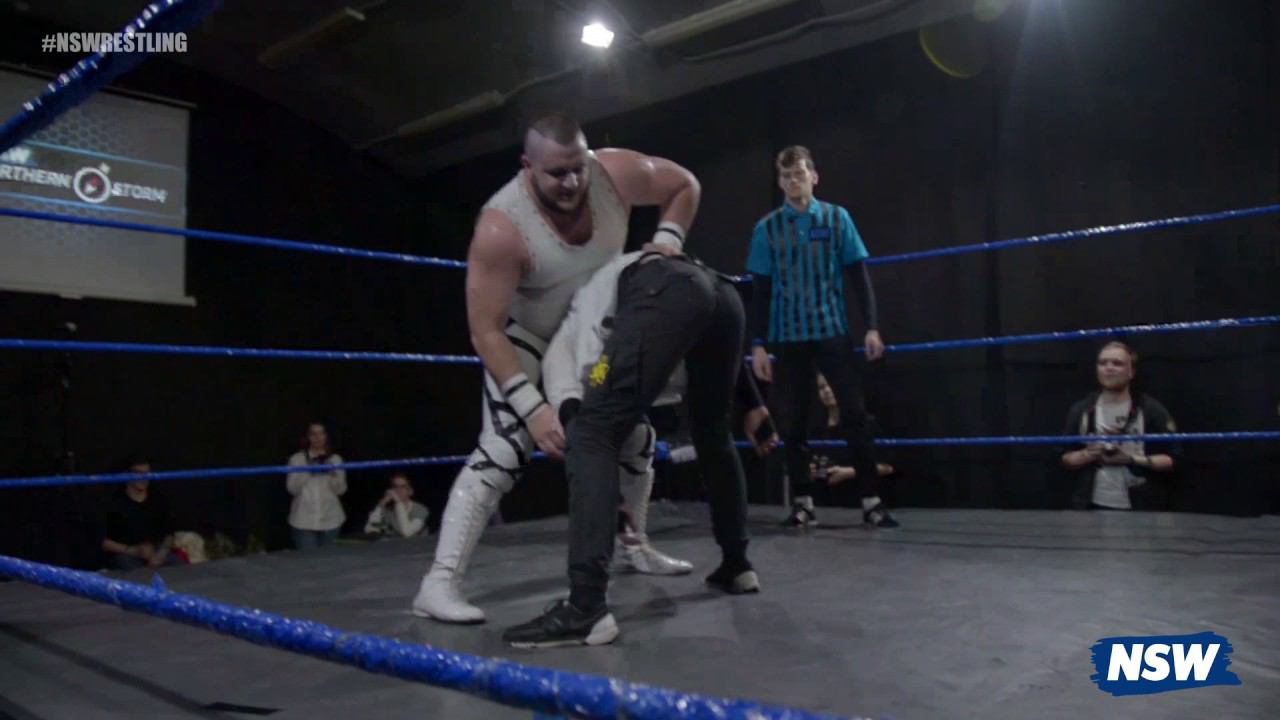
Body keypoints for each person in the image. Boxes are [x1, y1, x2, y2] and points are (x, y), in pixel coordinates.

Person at [413, 113, 703, 624]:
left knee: (634, 438)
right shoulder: (502, 226)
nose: (570, 182)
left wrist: (669, 240)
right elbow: (485, 331)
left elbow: (684, 185)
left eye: (577, 169)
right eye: (556, 173)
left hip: (588, 342)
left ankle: (635, 543)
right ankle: (438, 584)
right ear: (528, 167)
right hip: (527, 340)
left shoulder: (614, 174)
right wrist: (533, 407)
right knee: (504, 449)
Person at [503, 250, 764, 648]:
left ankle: (586, 607)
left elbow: (590, 399)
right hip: (721, 291)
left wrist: (580, 435)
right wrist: (753, 401)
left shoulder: (570, 330)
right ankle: (737, 565)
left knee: (591, 433)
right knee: (711, 430)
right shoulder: (609, 290)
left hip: (670, 289)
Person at [746, 145, 897, 529]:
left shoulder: (836, 218)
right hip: (787, 336)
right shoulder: (767, 229)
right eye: (786, 176)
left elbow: (858, 275)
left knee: (854, 414)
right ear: (780, 182)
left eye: (799, 174)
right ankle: (803, 503)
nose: (793, 181)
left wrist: (872, 326)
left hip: (831, 330)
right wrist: (758, 344)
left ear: (813, 176)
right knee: (793, 422)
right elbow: (760, 290)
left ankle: (871, 500)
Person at [1061, 342, 1181, 510]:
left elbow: (1173, 459)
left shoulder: (1150, 409)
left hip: (1142, 506)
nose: (1109, 368)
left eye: (1117, 363)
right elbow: (1065, 458)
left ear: (1131, 371)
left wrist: (1130, 459)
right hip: (1090, 504)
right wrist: (1089, 453)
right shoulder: (1082, 410)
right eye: (1103, 363)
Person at [809, 372, 895, 497]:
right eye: (821, 387)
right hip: (825, 500)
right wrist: (811, 470)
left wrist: (848, 472)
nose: (827, 390)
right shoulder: (816, 427)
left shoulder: (865, 424)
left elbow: (887, 467)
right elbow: (814, 460)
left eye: (831, 385)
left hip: (858, 497)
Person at [99, 459, 183, 571]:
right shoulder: (113, 503)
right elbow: (103, 541)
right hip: (127, 554)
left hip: (157, 553)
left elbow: (169, 533)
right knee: (132, 571)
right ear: (127, 474)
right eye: (138, 473)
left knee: (181, 568)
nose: (144, 478)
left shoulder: (158, 499)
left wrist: (161, 554)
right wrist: (134, 551)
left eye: (147, 473)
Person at [286, 421, 347, 550]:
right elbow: (292, 489)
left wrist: (332, 473)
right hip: (304, 522)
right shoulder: (297, 459)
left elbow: (341, 490)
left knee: (329, 560)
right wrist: (308, 470)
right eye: (313, 434)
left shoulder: (335, 459)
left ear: (326, 436)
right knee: (309, 561)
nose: (318, 438)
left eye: (321, 433)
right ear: (308, 437)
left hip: (331, 521)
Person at [364, 471, 429, 538]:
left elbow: (407, 533)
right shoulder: (388, 509)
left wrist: (398, 502)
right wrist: (381, 505)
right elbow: (370, 529)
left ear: (410, 491)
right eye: (395, 486)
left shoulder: (420, 510)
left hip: (417, 544)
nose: (398, 490)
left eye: (403, 487)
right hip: (394, 544)